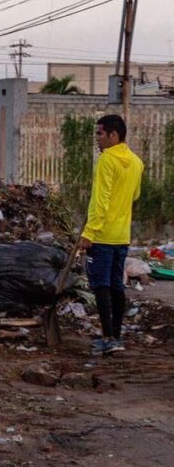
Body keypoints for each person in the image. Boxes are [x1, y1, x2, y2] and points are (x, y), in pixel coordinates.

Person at [81, 114, 144, 355]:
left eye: (100, 133)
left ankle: (108, 338)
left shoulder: (107, 160)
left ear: (113, 135)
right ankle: (116, 335)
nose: (97, 139)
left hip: (103, 235)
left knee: (100, 285)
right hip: (122, 236)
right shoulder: (136, 162)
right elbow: (135, 195)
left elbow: (101, 200)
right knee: (116, 285)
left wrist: (89, 232)